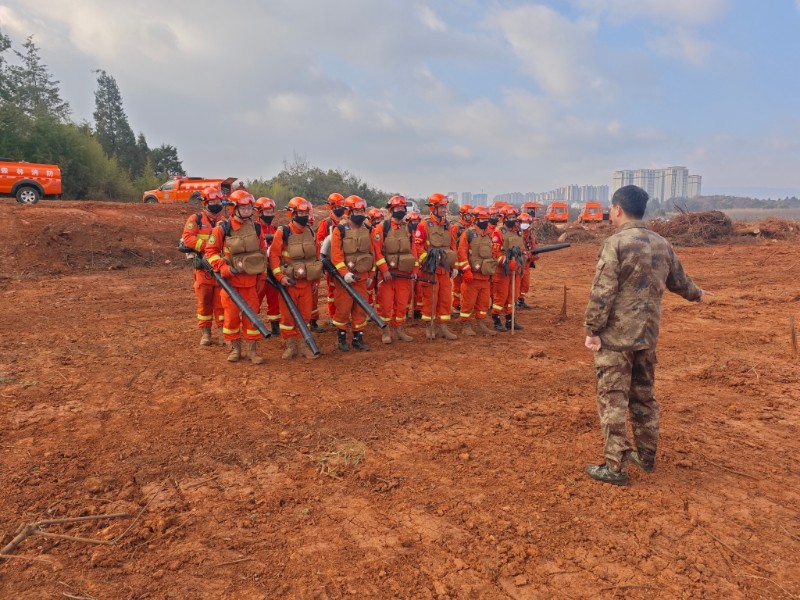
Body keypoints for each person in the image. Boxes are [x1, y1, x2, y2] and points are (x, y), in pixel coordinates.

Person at [583, 185, 707, 485]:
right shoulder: (662, 243)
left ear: (617, 209)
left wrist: (592, 329)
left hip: (616, 339)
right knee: (644, 398)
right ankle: (647, 456)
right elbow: (680, 282)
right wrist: (699, 294)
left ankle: (615, 467)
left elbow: (603, 291)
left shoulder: (616, 243)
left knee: (613, 400)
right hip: (647, 336)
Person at [205, 190, 269, 364]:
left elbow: (262, 252)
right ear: (234, 208)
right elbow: (210, 252)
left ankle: (252, 351)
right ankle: (235, 349)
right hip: (231, 283)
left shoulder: (256, 228)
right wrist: (222, 267)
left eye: (249, 207)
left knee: (252, 317)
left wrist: (262, 277)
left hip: (251, 282)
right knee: (231, 317)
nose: (247, 211)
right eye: (243, 207)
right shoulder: (223, 228)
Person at [269, 197, 322, 360]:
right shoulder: (283, 232)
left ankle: (302, 344)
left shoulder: (311, 232)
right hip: (289, 283)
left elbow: (316, 258)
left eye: (306, 212)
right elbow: (274, 256)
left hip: (306, 282)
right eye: (301, 212)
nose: (304, 215)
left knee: (305, 315)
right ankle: (291, 345)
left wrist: (315, 280)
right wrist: (280, 277)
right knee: (287, 317)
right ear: (292, 214)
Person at [329, 195, 376, 351]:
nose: (360, 214)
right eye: (357, 211)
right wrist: (344, 273)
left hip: (362, 276)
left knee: (360, 308)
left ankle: (358, 338)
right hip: (345, 279)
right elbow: (336, 255)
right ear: (349, 212)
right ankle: (341, 339)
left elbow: (372, 253)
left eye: (362, 210)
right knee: (343, 308)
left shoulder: (368, 229)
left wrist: (370, 274)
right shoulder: (340, 230)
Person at [181, 186, 226, 346]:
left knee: (222, 304)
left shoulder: (225, 221)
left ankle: (222, 333)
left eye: (218, 201)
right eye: (212, 201)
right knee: (204, 302)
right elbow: (188, 238)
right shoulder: (196, 219)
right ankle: (206, 333)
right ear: (204, 203)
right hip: (203, 269)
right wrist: (209, 246)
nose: (215, 204)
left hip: (220, 268)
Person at [413, 193, 458, 340]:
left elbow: (452, 245)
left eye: (446, 207)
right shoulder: (424, 224)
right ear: (434, 208)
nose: (445, 210)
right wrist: (427, 260)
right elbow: (417, 246)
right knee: (430, 298)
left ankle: (442, 326)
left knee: (445, 297)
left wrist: (455, 265)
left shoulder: (447, 225)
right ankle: (430, 326)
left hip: (444, 268)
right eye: (442, 207)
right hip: (430, 270)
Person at [373, 195, 416, 343]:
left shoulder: (409, 228)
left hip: (404, 274)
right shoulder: (382, 227)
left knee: (402, 304)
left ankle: (399, 330)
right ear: (391, 210)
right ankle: (385, 331)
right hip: (387, 275)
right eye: (397, 208)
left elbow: (413, 250)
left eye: (402, 208)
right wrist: (384, 269)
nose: (400, 211)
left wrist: (414, 271)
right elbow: (377, 251)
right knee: (385, 304)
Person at [456, 206, 497, 336]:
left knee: (484, 303)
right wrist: (466, 270)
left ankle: (481, 323)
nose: (484, 221)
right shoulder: (468, 233)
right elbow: (461, 253)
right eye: (482, 219)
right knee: (468, 302)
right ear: (475, 219)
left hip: (485, 276)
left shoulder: (489, 235)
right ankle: (466, 325)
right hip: (472, 277)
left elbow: (493, 253)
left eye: (486, 219)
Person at [490, 205, 524, 332]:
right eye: (510, 217)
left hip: (514, 271)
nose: (513, 219)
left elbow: (521, 249)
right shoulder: (498, 233)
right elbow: (495, 253)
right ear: (504, 218)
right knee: (501, 296)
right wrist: (506, 262)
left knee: (512, 297)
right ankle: (496, 319)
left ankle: (510, 320)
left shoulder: (517, 232)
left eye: (514, 217)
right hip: (502, 271)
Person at [317, 193, 347, 328]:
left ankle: (342, 315)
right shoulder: (326, 223)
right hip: (330, 261)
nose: (341, 208)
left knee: (344, 290)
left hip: (343, 260)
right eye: (338, 206)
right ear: (332, 207)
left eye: (342, 205)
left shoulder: (346, 222)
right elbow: (319, 241)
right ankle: (332, 315)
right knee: (332, 290)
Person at [254, 197, 281, 336]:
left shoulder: (275, 228)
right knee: (255, 298)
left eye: (271, 211)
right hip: (258, 270)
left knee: (274, 297)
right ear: (259, 212)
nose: (269, 214)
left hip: (272, 269)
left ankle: (275, 326)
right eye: (266, 211)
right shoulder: (254, 228)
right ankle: (252, 325)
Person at [450, 204, 473, 315]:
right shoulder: (457, 227)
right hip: (458, 259)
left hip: (468, 259)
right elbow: (453, 243)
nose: (470, 217)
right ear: (462, 215)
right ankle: (457, 304)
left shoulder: (472, 228)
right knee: (458, 284)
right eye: (468, 215)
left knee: (467, 284)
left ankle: (466, 303)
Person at [516, 211, 538, 310]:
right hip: (518, 263)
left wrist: (534, 255)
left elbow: (533, 247)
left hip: (527, 264)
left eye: (527, 222)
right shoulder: (516, 234)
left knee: (525, 284)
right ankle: (515, 301)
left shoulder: (530, 235)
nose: (525, 224)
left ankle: (521, 300)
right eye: (523, 222)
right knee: (517, 283)